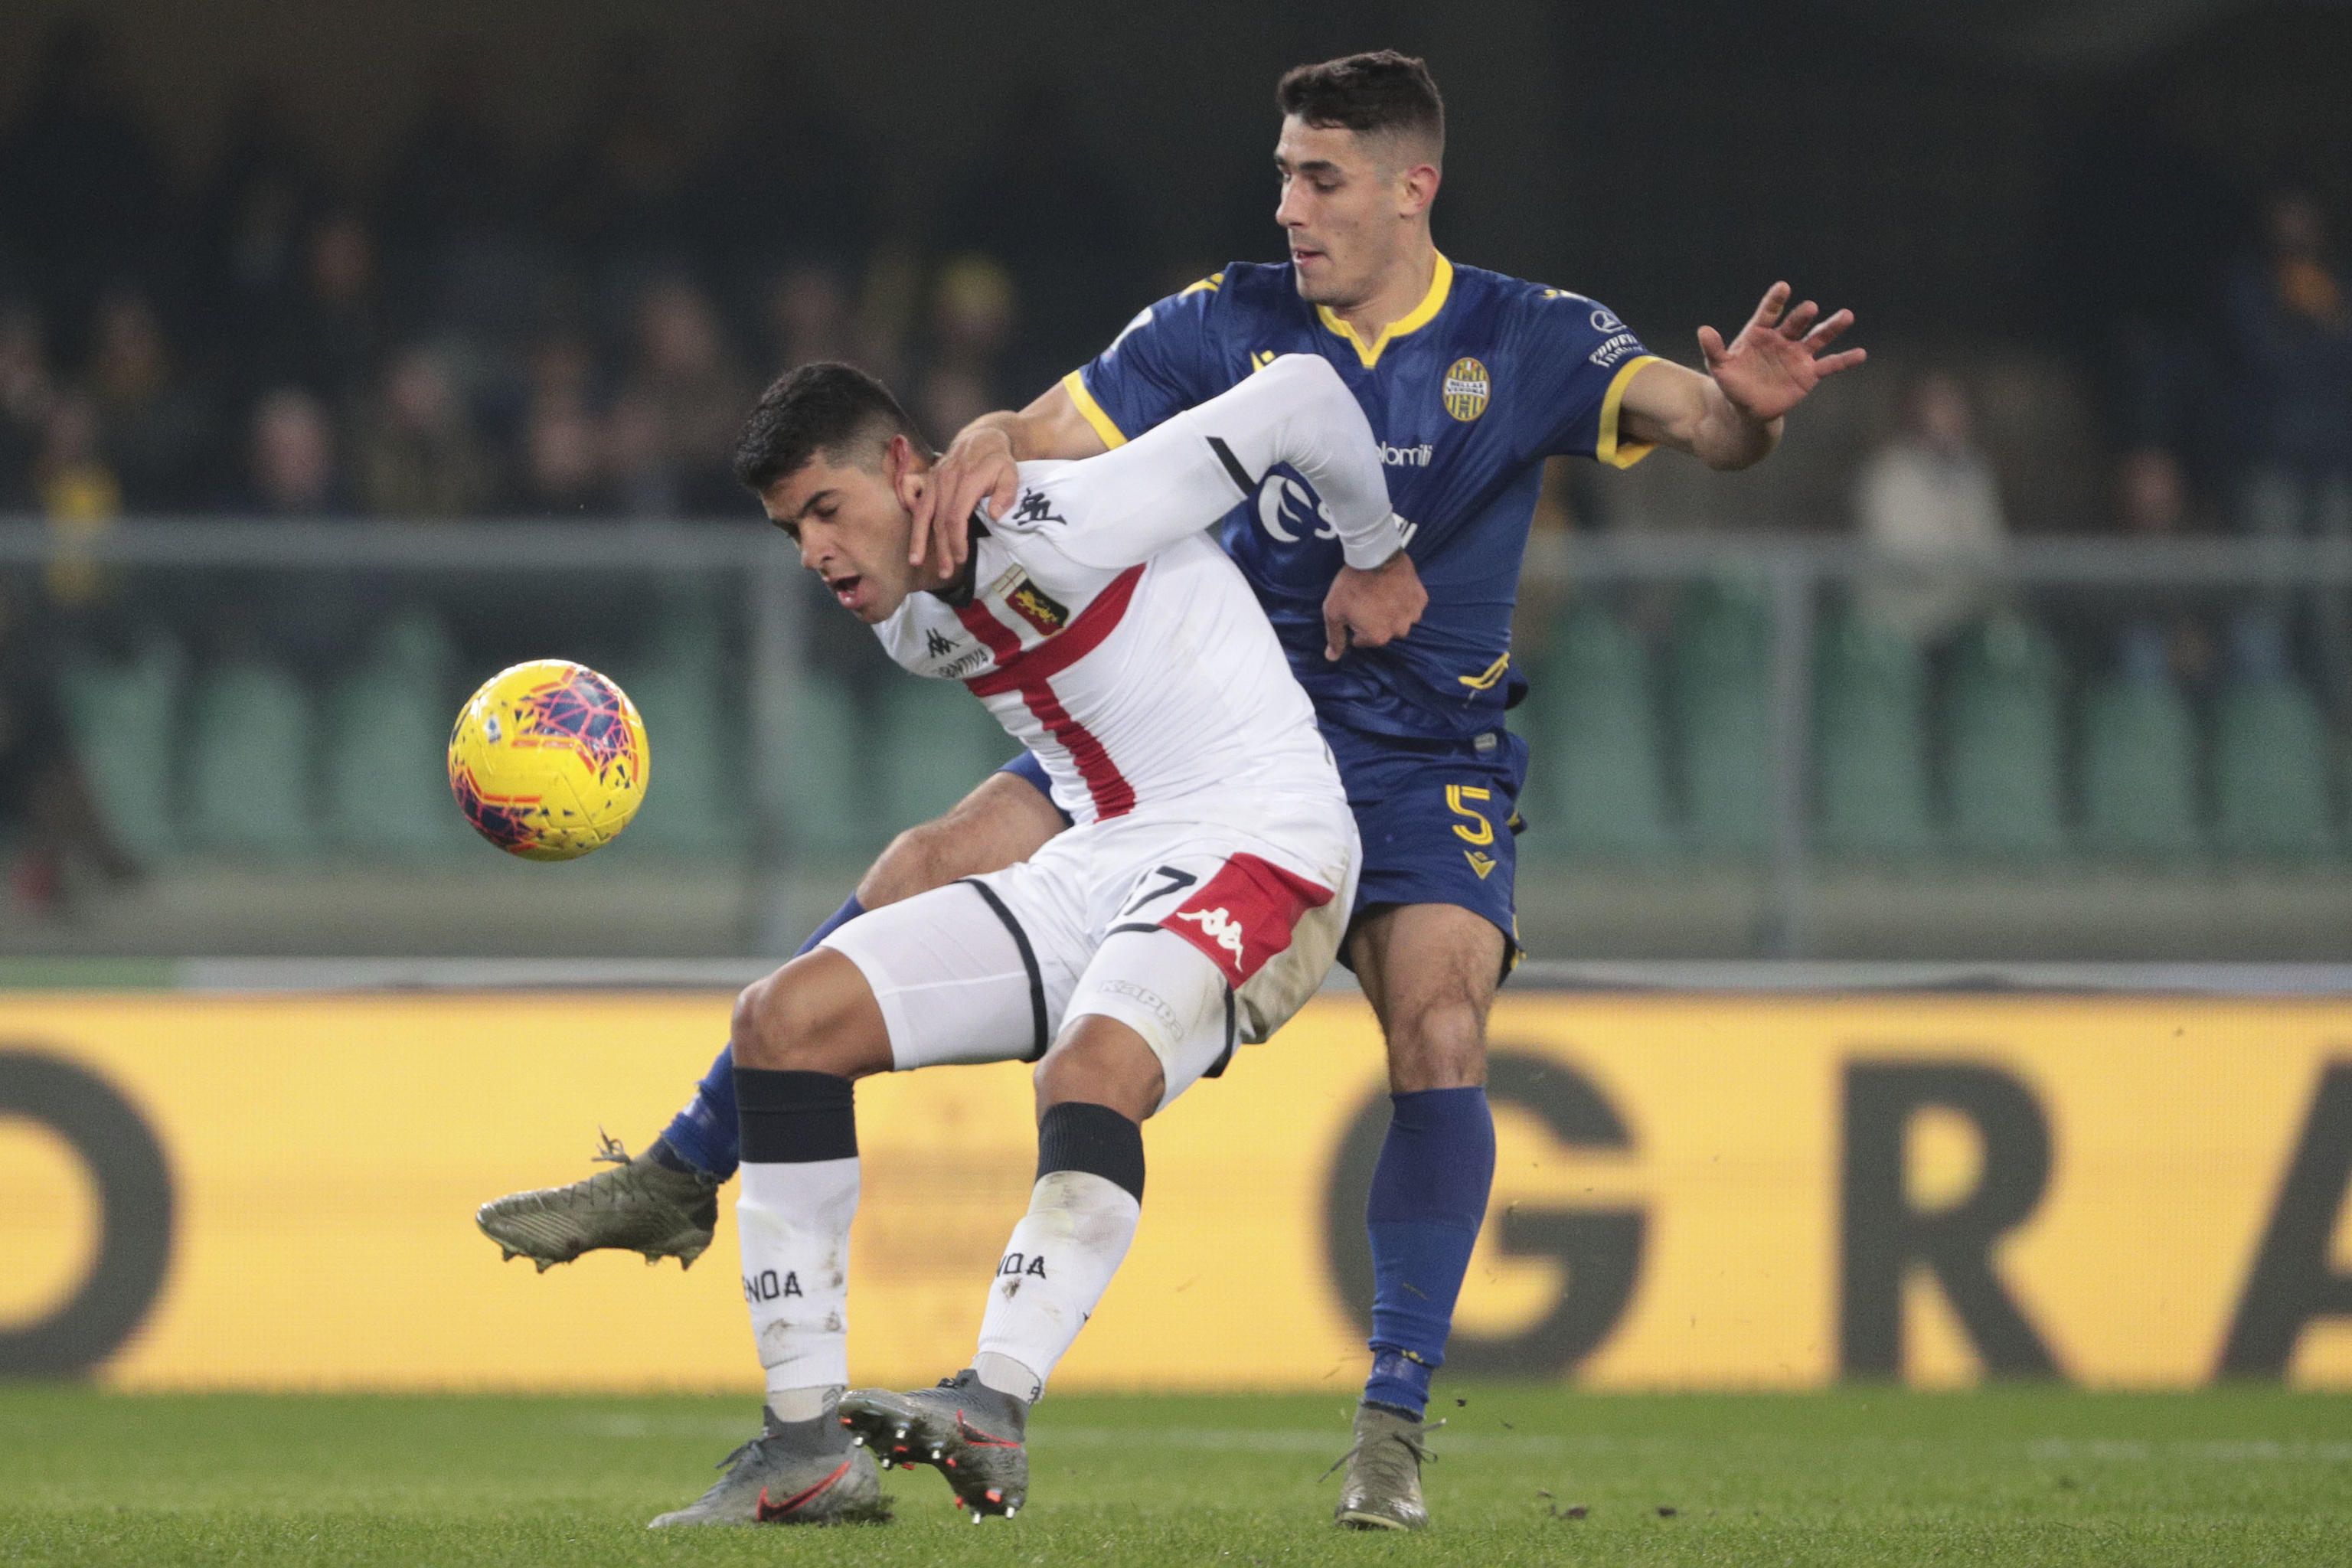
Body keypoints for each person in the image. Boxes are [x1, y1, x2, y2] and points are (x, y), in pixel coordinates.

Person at [479, 50, 1862, 1532]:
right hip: (1179, 722)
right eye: (1281, 173)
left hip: (1399, 747)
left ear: (1414, 186)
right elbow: (1053, 428)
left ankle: (1390, 1415)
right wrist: (995, 438)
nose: (1290, 205)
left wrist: (1750, 411)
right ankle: (693, 1174)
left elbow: (1706, 426)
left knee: (1439, 1024)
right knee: (918, 864)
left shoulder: (1525, 336)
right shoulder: (1219, 320)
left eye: (1320, 177)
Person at [636, 351, 1389, 1526]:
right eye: (792, 532)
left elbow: (1304, 395)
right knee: (782, 1022)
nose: (817, 552)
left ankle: (993, 1405)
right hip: (1102, 862)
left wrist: (1375, 547)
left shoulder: (1073, 514)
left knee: (1089, 1072)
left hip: (1263, 838)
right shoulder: (910, 627)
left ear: (903, 467)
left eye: (828, 511)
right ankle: (806, 1454)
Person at [1852, 372, 2007, 648]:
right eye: (1940, 406)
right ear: (1917, 413)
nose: (1951, 416)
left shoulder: (1975, 471)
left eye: (1956, 406)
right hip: (1903, 626)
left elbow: (1991, 545)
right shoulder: (1888, 473)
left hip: (1966, 622)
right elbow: (1901, 553)